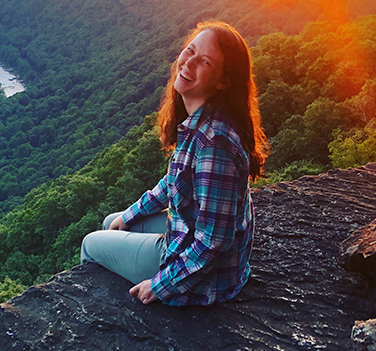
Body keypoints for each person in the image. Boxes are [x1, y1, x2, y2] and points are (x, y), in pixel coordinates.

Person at [80, 20, 269, 306]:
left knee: (90, 244)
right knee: (112, 223)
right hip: (190, 240)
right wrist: (129, 215)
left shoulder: (214, 142)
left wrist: (160, 286)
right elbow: (173, 182)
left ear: (223, 81)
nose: (188, 62)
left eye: (204, 61)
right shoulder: (201, 121)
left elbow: (213, 241)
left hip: (208, 281)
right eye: (189, 51)